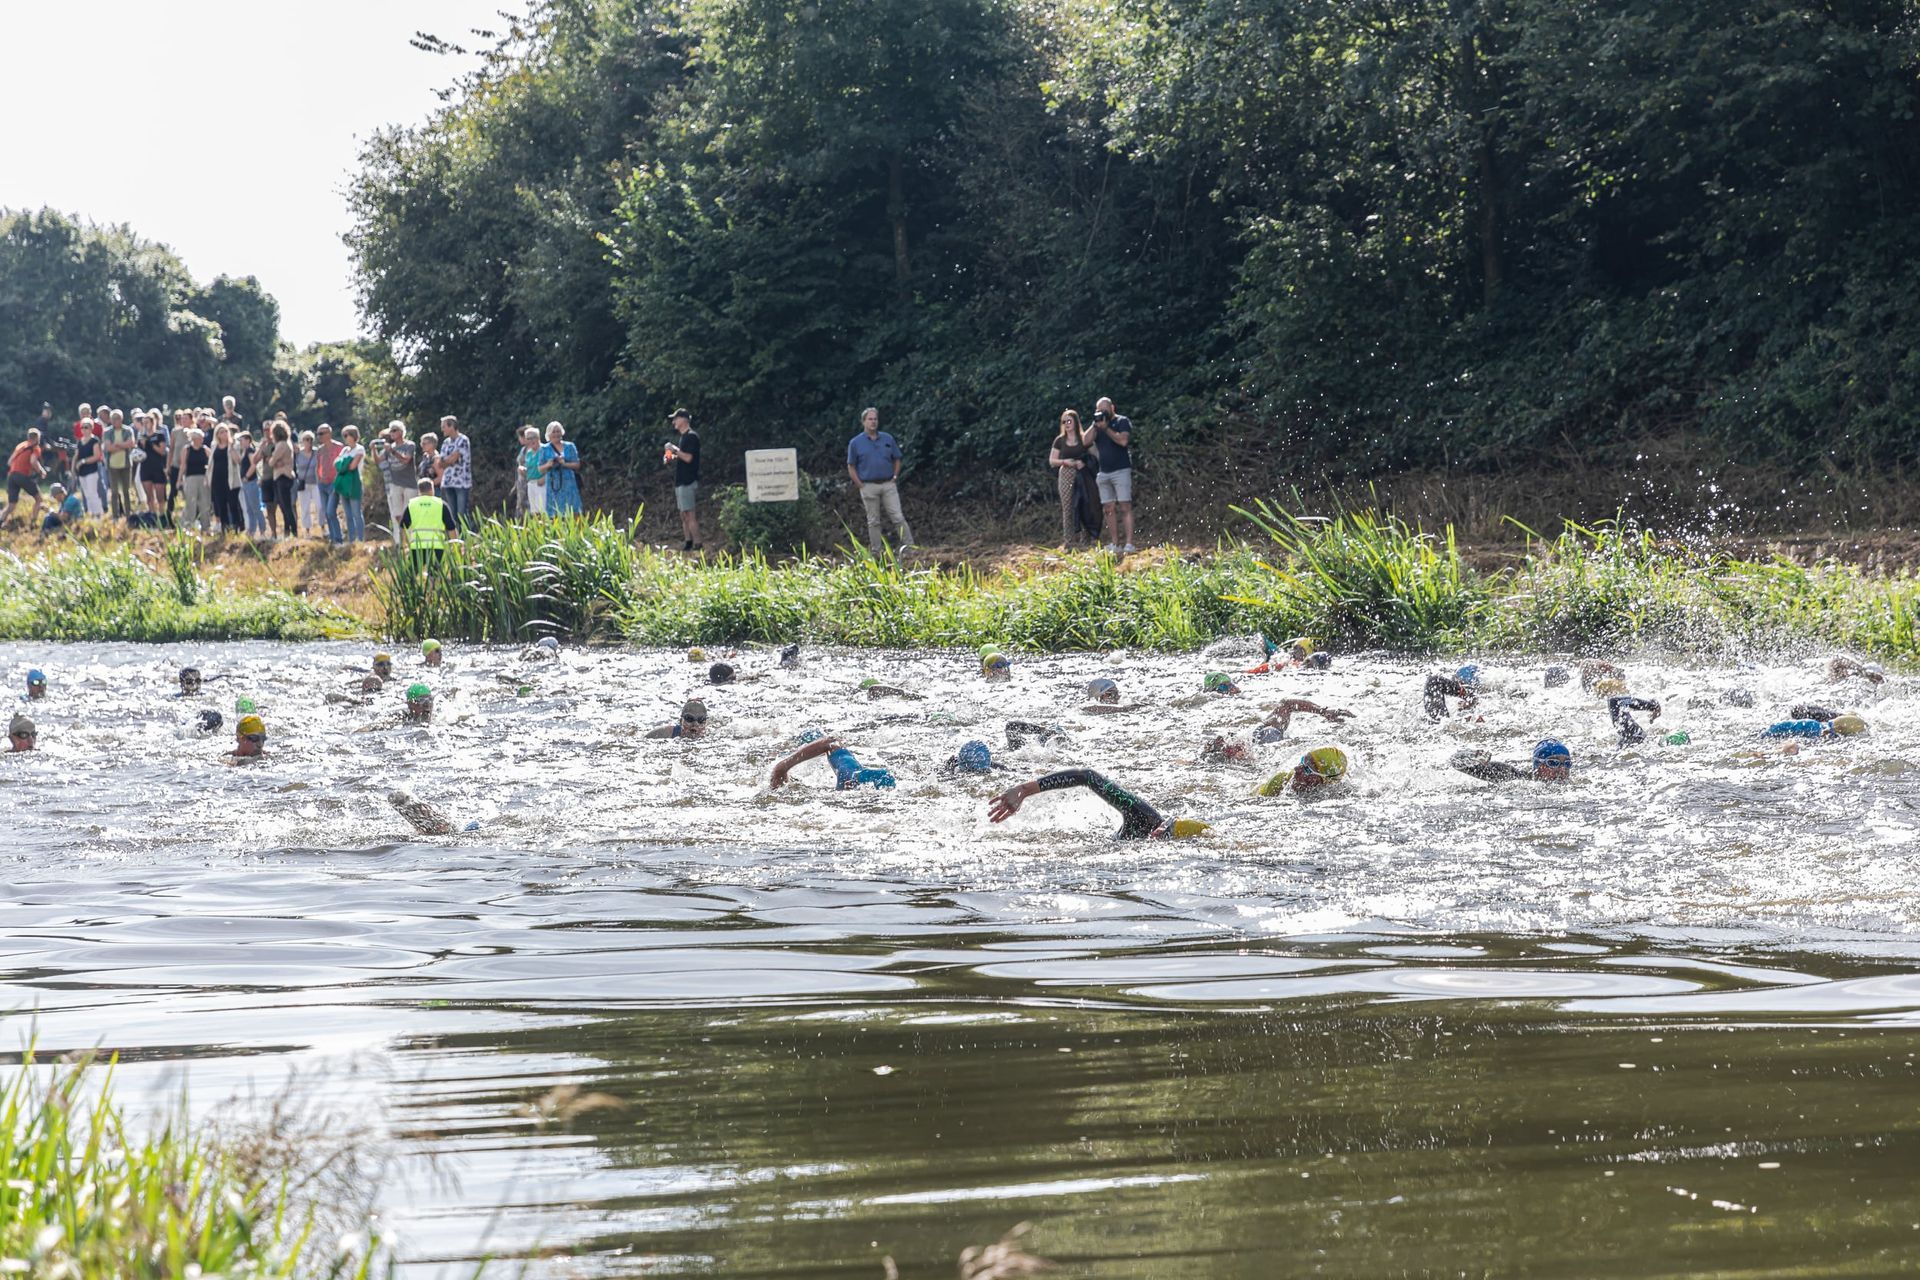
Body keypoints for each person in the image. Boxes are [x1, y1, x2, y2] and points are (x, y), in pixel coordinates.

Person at [988, 768, 1207, 839]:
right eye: (1162, 831)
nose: (1156, 836)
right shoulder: (1144, 818)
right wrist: (1024, 790)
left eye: (1163, 836)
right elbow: (1087, 776)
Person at [845, 407, 914, 555]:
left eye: (875, 419)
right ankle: (877, 552)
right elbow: (851, 466)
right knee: (874, 521)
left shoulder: (887, 438)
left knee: (897, 516)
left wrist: (895, 477)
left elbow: (897, 459)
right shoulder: (855, 443)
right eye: (870, 419)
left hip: (888, 484)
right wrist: (860, 484)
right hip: (868, 485)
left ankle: (910, 547)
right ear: (863, 422)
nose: (873, 422)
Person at [1087, 396, 1135, 554]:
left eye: (1104, 410)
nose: (1102, 413)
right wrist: (1095, 425)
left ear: (1112, 408)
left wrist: (1107, 428)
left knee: (1125, 506)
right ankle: (1115, 543)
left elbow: (1123, 441)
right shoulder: (1098, 426)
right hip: (1104, 472)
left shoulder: (1122, 421)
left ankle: (1129, 543)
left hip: (1121, 470)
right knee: (1108, 508)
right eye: (1099, 410)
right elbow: (1084, 442)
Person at [1048, 410, 1098, 550]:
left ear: (1075, 422)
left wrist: (1086, 463)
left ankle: (1085, 540)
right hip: (1067, 474)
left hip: (1083, 474)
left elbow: (1095, 456)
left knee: (1085, 505)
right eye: (1064, 421)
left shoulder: (1084, 438)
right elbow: (1052, 460)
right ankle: (1069, 540)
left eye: (1069, 421)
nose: (1066, 424)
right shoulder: (1060, 440)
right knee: (1068, 507)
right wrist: (1066, 462)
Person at [770, 735, 897, 790]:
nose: (849, 784)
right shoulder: (848, 774)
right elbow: (831, 742)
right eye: (852, 783)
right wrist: (783, 766)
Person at [373, 420, 418, 545]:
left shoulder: (409, 445)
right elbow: (378, 461)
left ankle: (411, 540)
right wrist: (373, 449)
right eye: (390, 430)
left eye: (394, 430)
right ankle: (400, 540)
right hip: (395, 484)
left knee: (410, 512)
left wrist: (392, 451)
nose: (391, 433)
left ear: (401, 432)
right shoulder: (389, 448)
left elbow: (406, 460)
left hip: (409, 483)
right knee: (397, 513)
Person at [1453, 739, 1573, 783]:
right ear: (1537, 765)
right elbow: (1455, 761)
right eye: (1553, 763)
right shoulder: (1513, 776)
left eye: (1567, 764)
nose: (1562, 769)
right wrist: (1471, 756)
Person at [665, 409, 701, 550]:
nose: (674, 422)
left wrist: (673, 449)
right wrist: (670, 456)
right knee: (683, 515)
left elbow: (688, 457)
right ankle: (688, 542)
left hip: (688, 480)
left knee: (689, 514)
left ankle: (698, 544)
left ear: (684, 419)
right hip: (680, 480)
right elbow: (682, 456)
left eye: (676, 419)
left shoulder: (692, 436)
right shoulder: (683, 437)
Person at [1254, 745, 1350, 796]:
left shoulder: (1338, 794)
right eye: (1303, 761)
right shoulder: (1279, 783)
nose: (1297, 768)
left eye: (1307, 769)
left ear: (1324, 780)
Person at [402, 477, 456, 565]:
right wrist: (455, 547)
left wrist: (403, 546)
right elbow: (451, 528)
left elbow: (403, 527)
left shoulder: (412, 505)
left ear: (419, 491)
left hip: (416, 548)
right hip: (437, 548)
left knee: (414, 576)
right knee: (436, 576)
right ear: (432, 489)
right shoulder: (441, 504)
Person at [5, 428, 48, 528]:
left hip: (11, 475)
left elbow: (9, 461)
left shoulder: (21, 446)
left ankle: (1, 520)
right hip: (22, 475)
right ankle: (33, 524)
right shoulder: (35, 447)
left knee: (12, 504)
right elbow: (33, 461)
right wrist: (41, 471)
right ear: (37, 438)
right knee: (39, 499)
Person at [537, 421, 582, 516]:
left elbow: (577, 465)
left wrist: (564, 464)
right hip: (553, 483)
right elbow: (540, 468)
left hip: (569, 482)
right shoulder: (544, 449)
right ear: (549, 434)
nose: (556, 434)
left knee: (573, 509)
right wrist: (548, 464)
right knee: (555, 510)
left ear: (562, 432)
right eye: (553, 432)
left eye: (558, 431)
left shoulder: (570, 446)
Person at [435, 416, 473, 528]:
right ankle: (456, 538)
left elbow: (453, 459)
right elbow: (440, 464)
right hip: (448, 482)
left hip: (462, 482)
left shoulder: (463, 440)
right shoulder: (446, 442)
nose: (442, 430)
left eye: (444, 427)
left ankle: (466, 537)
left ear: (451, 426)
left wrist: (447, 460)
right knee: (452, 514)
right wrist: (448, 460)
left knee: (462, 513)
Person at [334, 425, 367, 542]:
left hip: (354, 483)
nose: (346, 438)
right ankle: (352, 538)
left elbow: (353, 466)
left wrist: (343, 464)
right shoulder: (345, 450)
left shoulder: (359, 449)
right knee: (347, 514)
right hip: (344, 483)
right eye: (344, 435)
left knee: (356, 512)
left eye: (347, 435)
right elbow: (336, 464)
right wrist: (344, 464)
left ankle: (360, 538)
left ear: (354, 436)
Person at [209, 424, 242, 534]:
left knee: (233, 504)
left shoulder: (234, 445)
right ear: (217, 435)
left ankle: (237, 527)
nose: (224, 434)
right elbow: (211, 463)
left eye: (226, 431)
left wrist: (231, 447)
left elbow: (238, 461)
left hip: (230, 480)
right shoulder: (214, 446)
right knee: (220, 505)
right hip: (217, 480)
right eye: (221, 432)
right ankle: (225, 528)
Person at [104, 409, 137, 518]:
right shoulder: (107, 432)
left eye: (117, 419)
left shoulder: (128, 430)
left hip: (126, 465)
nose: (115, 421)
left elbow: (131, 443)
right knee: (114, 492)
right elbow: (108, 448)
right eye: (113, 419)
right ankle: (115, 515)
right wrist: (122, 445)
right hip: (112, 466)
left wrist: (117, 445)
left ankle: (128, 514)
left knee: (126, 491)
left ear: (121, 419)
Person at [265, 420, 296, 537]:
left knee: (286, 506)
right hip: (284, 475)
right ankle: (288, 531)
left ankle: (292, 531)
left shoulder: (281, 445)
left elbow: (272, 461)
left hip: (283, 476)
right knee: (284, 506)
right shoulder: (287, 443)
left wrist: (272, 460)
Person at [178, 429, 212, 532]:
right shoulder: (187, 449)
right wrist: (179, 479)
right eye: (199, 438)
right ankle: (188, 525)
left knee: (205, 502)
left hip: (203, 478)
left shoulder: (205, 449)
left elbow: (211, 464)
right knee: (190, 502)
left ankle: (206, 526)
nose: (202, 440)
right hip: (190, 478)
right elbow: (183, 465)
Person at [314, 424, 344, 543]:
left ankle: (338, 538)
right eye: (318, 434)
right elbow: (318, 466)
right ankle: (333, 538)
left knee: (331, 511)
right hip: (322, 484)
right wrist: (318, 479)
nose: (319, 436)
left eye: (322, 433)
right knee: (326, 512)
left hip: (334, 483)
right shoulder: (320, 450)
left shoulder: (338, 447)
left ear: (329, 433)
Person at [137, 411, 170, 517]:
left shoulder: (159, 435)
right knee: (149, 496)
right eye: (144, 423)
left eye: (147, 422)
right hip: (145, 468)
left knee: (160, 495)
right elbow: (139, 453)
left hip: (158, 468)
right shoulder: (141, 437)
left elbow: (162, 451)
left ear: (153, 423)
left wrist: (149, 443)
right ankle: (152, 515)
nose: (145, 425)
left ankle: (161, 515)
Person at [237, 431, 268, 534]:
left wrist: (246, 476)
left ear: (248, 440)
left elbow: (253, 465)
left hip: (251, 482)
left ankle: (262, 530)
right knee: (249, 509)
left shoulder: (250, 451)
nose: (240, 442)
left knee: (255, 508)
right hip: (246, 484)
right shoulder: (244, 451)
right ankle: (251, 530)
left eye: (241, 440)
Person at [74, 420, 104, 516]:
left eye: (86, 427)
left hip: (91, 471)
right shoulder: (79, 442)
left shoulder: (94, 441)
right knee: (87, 495)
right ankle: (91, 514)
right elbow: (76, 456)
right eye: (82, 427)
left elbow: (97, 456)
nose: (84, 429)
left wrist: (83, 461)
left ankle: (98, 514)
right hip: (82, 472)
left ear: (91, 428)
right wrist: (73, 469)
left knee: (93, 493)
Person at [293, 430, 320, 537]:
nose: (308, 442)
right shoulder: (298, 453)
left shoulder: (316, 452)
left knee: (320, 506)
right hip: (303, 483)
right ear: (302, 441)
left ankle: (322, 526)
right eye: (306, 439)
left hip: (316, 482)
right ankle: (307, 530)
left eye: (310, 439)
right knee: (304, 508)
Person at [1761, 713, 1868, 739]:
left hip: (1776, 728)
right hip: (1774, 732)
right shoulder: (1825, 732)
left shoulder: (1818, 724)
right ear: (1840, 729)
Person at [515, 426, 543, 517]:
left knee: (540, 509)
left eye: (532, 438)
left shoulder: (543, 450)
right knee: (525, 508)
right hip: (525, 483)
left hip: (539, 483)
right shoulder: (527, 452)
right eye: (528, 438)